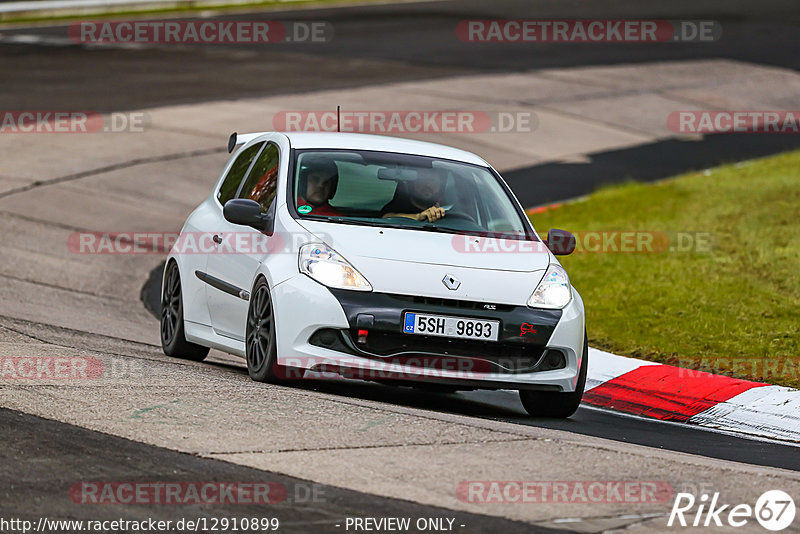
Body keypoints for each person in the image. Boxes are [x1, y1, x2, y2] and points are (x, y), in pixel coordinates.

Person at [381, 168, 447, 222]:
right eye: (423, 180)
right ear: (412, 184)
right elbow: (386, 217)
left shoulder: (448, 209)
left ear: (440, 186)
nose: (427, 185)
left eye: (433, 180)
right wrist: (418, 216)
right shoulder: (398, 206)